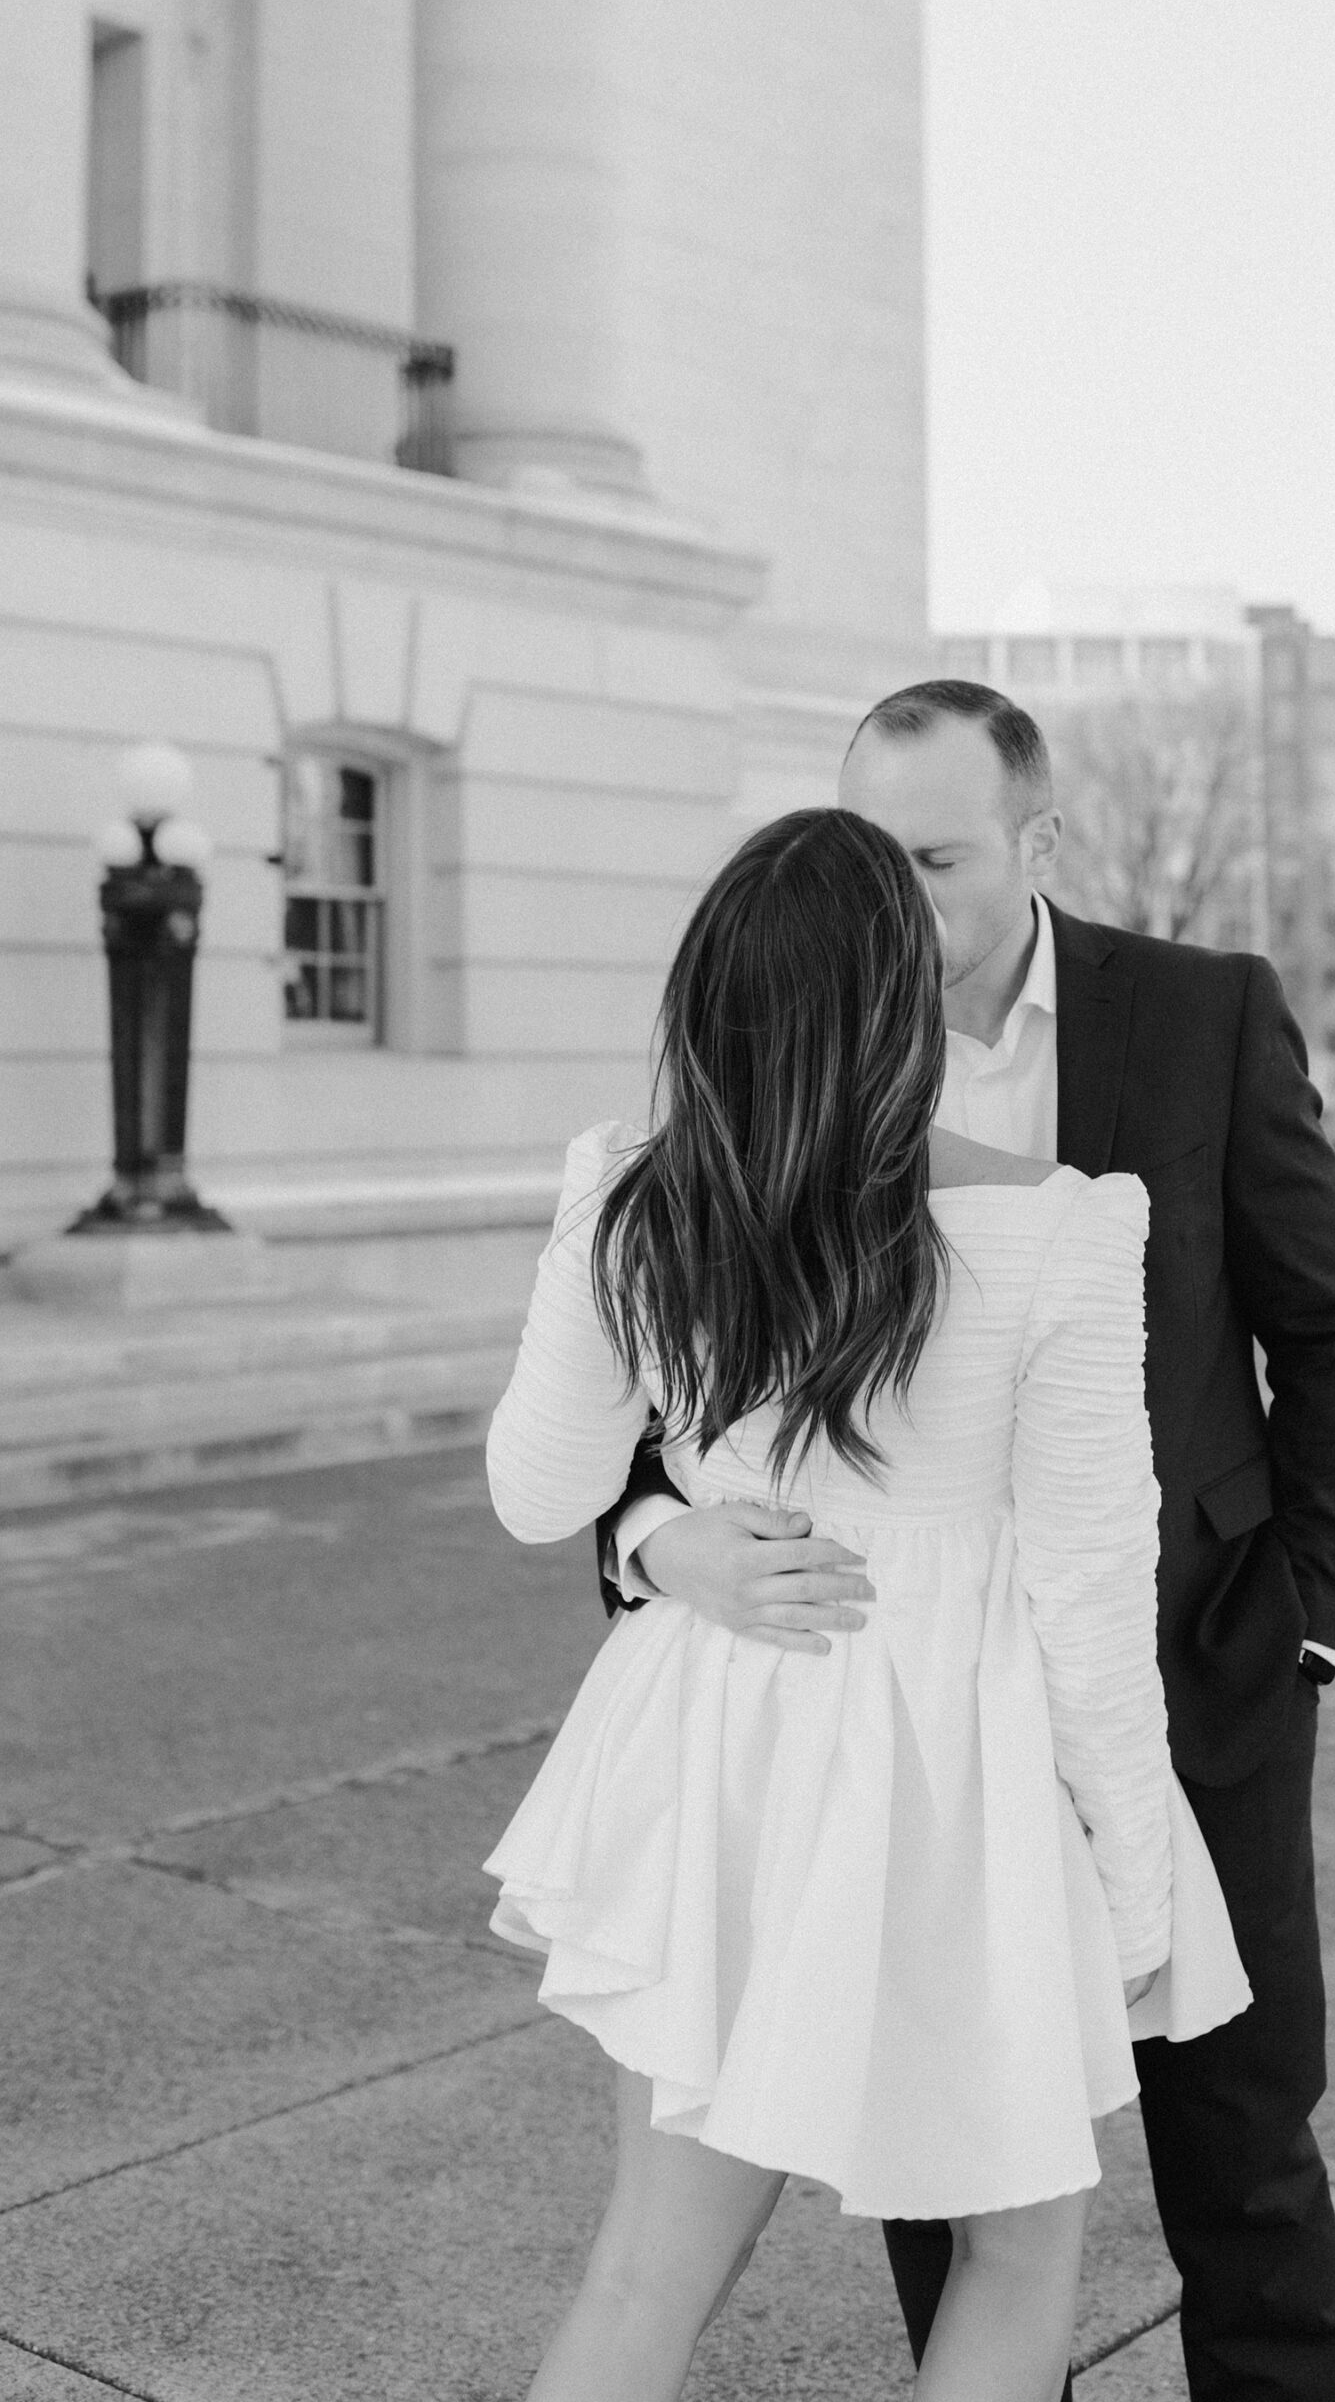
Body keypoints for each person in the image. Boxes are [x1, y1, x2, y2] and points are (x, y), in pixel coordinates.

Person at [597, 685, 1335, 2402]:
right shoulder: (779, 1060)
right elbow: (644, 1410)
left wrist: (1312, 1622)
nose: (892, 900)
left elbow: (1328, 1332)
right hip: (902, 1734)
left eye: (937, 856)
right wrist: (663, 1544)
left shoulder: (1201, 1014)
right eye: (867, 854)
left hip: (1191, 1677)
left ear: (1038, 844)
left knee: (1244, 2147)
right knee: (944, 2173)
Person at [484, 806, 1250, 2402]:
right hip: (954, 1766)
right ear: (903, 1004)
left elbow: (541, 1490)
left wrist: (661, 1533)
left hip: (715, 1742)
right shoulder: (1057, 1226)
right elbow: (1091, 1591)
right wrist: (1136, 1880)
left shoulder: (630, 1199)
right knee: (1020, 2249)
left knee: (648, 2266)